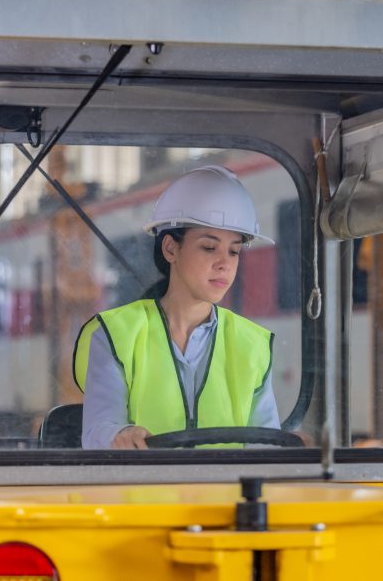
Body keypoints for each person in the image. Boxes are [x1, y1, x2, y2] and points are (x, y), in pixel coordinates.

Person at [72, 165, 281, 449]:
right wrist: (120, 436)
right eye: (209, 247)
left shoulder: (252, 345)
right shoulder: (116, 335)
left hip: (229, 494)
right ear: (170, 249)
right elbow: (99, 430)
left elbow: (265, 446)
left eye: (234, 251)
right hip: (145, 492)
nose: (225, 263)